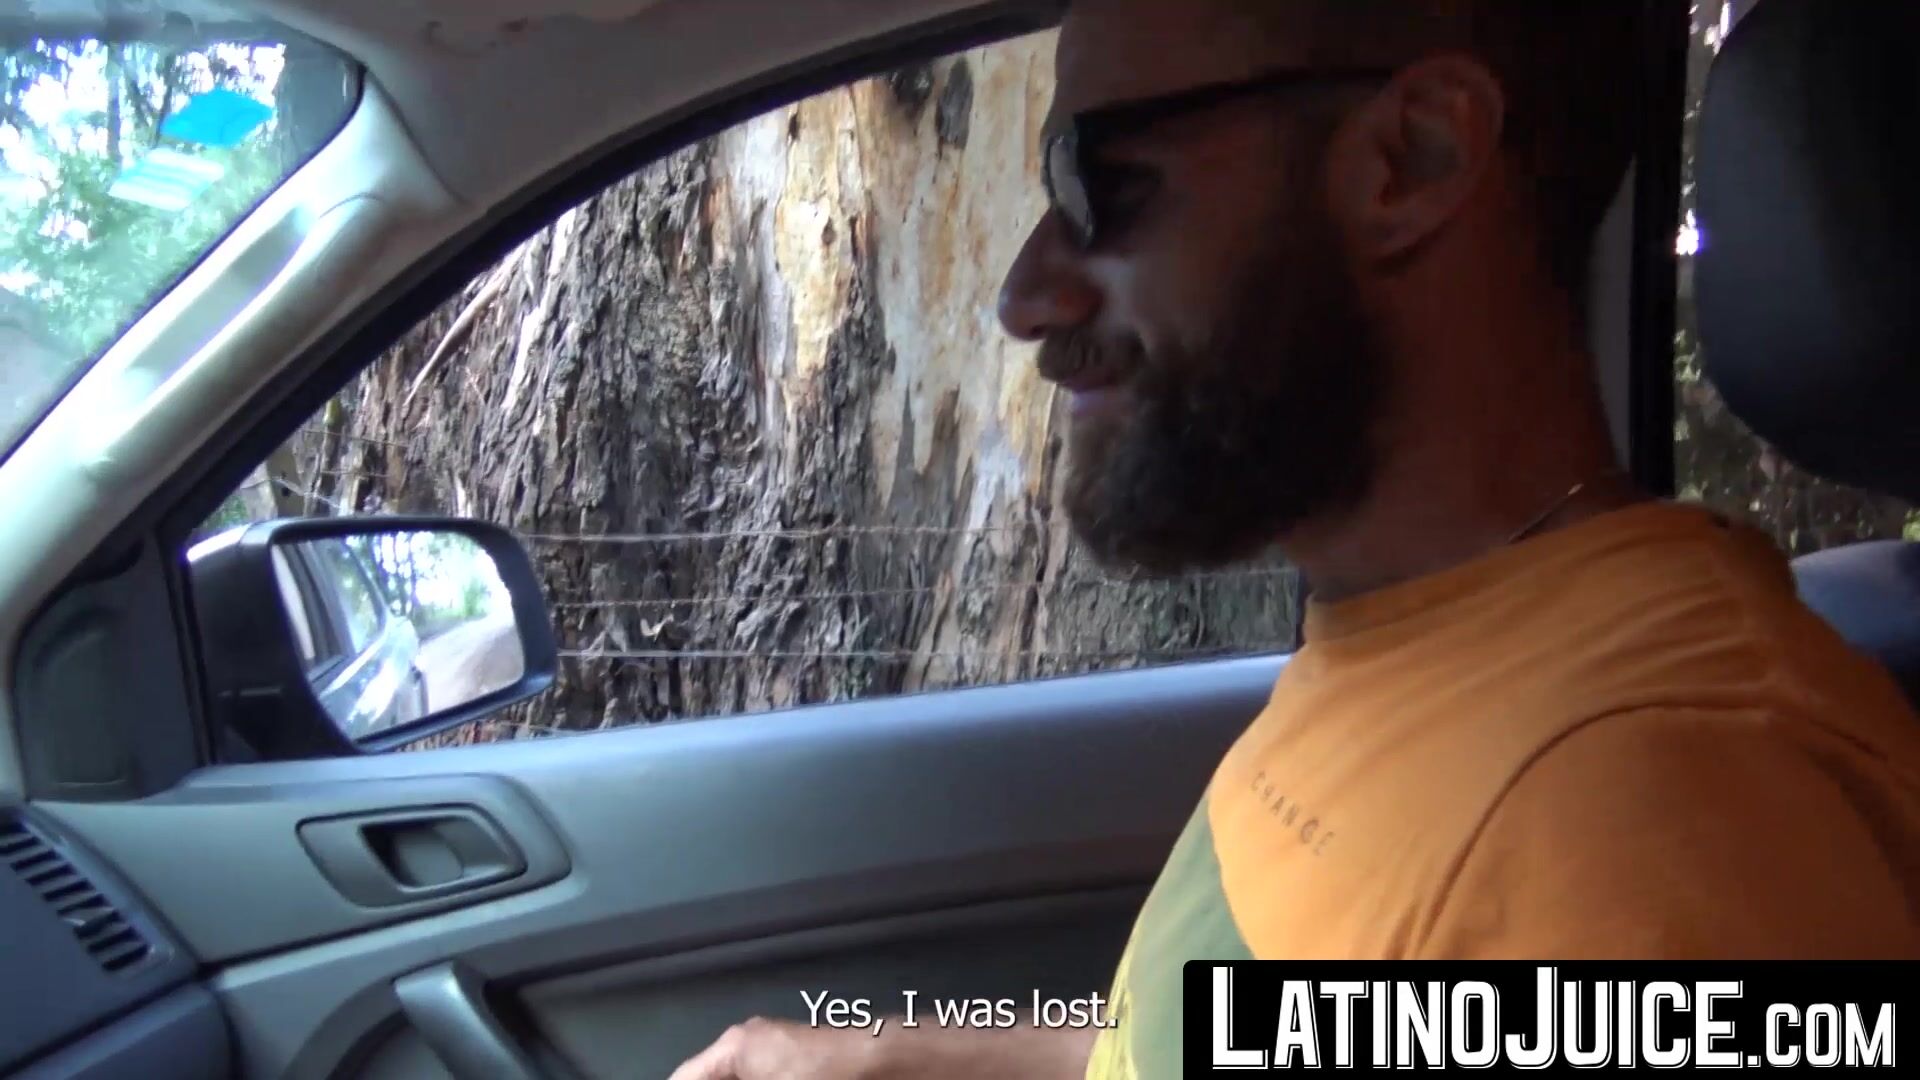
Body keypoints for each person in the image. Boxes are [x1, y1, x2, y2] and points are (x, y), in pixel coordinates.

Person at [673, 0, 1920, 1076]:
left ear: (1415, 158)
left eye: (1100, 185)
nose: (1024, 297)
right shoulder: (1440, 642)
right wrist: (892, 1058)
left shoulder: (1645, 820)